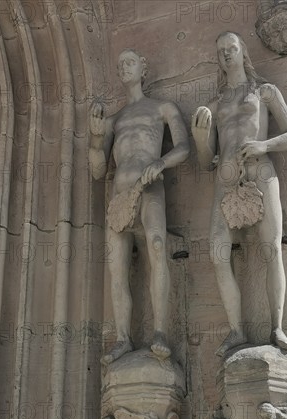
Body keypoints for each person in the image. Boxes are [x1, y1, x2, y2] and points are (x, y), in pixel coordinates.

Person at [192, 31, 287, 357]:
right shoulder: (215, 104)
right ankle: (236, 330)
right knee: (217, 252)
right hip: (225, 178)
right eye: (221, 51)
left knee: (271, 250)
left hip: (261, 171)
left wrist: (264, 145)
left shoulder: (265, 92)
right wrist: (200, 139)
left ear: (243, 52)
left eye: (232, 48)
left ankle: (277, 326)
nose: (226, 55)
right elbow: (204, 161)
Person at [89, 49, 190, 362]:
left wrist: (160, 162)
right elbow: (96, 169)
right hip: (120, 193)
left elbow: (184, 147)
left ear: (143, 68)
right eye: (119, 64)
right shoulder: (115, 120)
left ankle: (160, 331)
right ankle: (122, 337)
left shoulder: (162, 108)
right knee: (116, 266)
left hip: (150, 187)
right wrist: (95, 138)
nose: (123, 67)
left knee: (157, 247)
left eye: (130, 62)